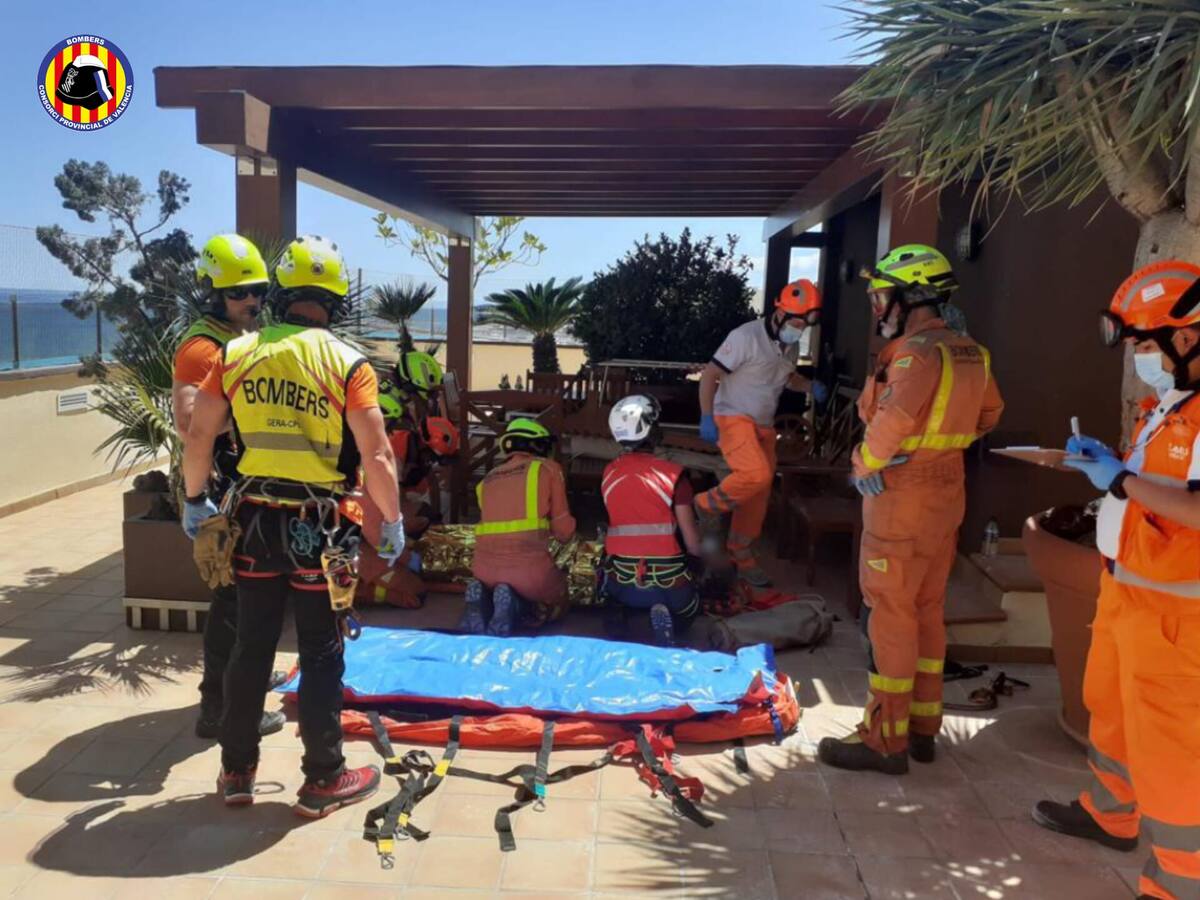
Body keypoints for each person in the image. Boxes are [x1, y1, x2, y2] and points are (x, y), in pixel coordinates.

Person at [182, 234, 405, 817]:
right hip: (321, 528)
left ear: (281, 294)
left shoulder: (236, 354)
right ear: (335, 301)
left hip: (252, 519)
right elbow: (377, 455)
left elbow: (199, 433)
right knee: (322, 651)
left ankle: (236, 772)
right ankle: (323, 777)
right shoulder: (346, 363)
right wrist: (393, 522)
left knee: (251, 645)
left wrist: (193, 499)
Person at [1032, 260, 1200, 900]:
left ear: (1186, 338)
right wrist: (1110, 465)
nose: (1140, 360)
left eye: (1146, 345)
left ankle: (1178, 884)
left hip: (1179, 619)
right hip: (1131, 594)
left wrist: (1122, 480)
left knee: (1175, 759)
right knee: (1113, 717)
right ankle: (1110, 814)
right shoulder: (1171, 406)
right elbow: (1155, 490)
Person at [817, 244, 1003, 776]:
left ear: (912, 294)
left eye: (882, 295)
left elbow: (890, 424)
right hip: (947, 493)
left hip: (900, 494)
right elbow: (990, 413)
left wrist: (863, 462)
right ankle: (924, 729)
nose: (877, 306)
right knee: (926, 610)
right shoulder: (972, 353)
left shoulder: (914, 354)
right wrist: (940, 447)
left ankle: (884, 741)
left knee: (891, 617)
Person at [172, 233, 286, 739]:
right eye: (240, 293)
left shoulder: (236, 342)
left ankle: (243, 685)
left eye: (258, 290)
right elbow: (190, 422)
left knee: (246, 601)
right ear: (215, 295)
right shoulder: (203, 348)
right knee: (235, 604)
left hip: (245, 485)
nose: (252, 301)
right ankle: (219, 708)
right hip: (225, 493)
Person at [694, 279, 825, 587]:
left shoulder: (789, 347)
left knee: (759, 494)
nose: (800, 329)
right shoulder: (745, 337)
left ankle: (741, 553)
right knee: (756, 474)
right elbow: (710, 374)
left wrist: (809, 386)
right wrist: (706, 416)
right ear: (779, 312)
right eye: (796, 322)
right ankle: (705, 504)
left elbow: (787, 378)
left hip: (764, 426)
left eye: (805, 325)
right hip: (733, 417)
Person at [600, 394, 703, 646]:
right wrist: (699, 563)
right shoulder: (674, 476)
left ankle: (619, 615)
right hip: (669, 582)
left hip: (621, 579)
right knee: (691, 607)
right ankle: (670, 617)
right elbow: (692, 541)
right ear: (652, 431)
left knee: (614, 591)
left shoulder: (608, 473)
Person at [461, 418, 576, 636]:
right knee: (559, 598)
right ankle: (519, 608)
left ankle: (485, 599)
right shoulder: (548, 469)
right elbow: (563, 530)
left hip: (484, 570)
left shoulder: (486, 480)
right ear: (537, 445)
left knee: (499, 580)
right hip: (530, 573)